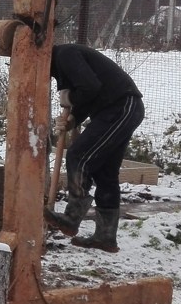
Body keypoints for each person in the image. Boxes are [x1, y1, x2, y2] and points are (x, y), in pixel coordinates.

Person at [44, 43, 144, 253]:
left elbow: (90, 87)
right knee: (104, 172)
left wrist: (70, 98)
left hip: (120, 106)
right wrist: (74, 119)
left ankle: (71, 217)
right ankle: (105, 237)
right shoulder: (63, 61)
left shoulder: (65, 54)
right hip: (120, 108)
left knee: (78, 155)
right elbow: (89, 94)